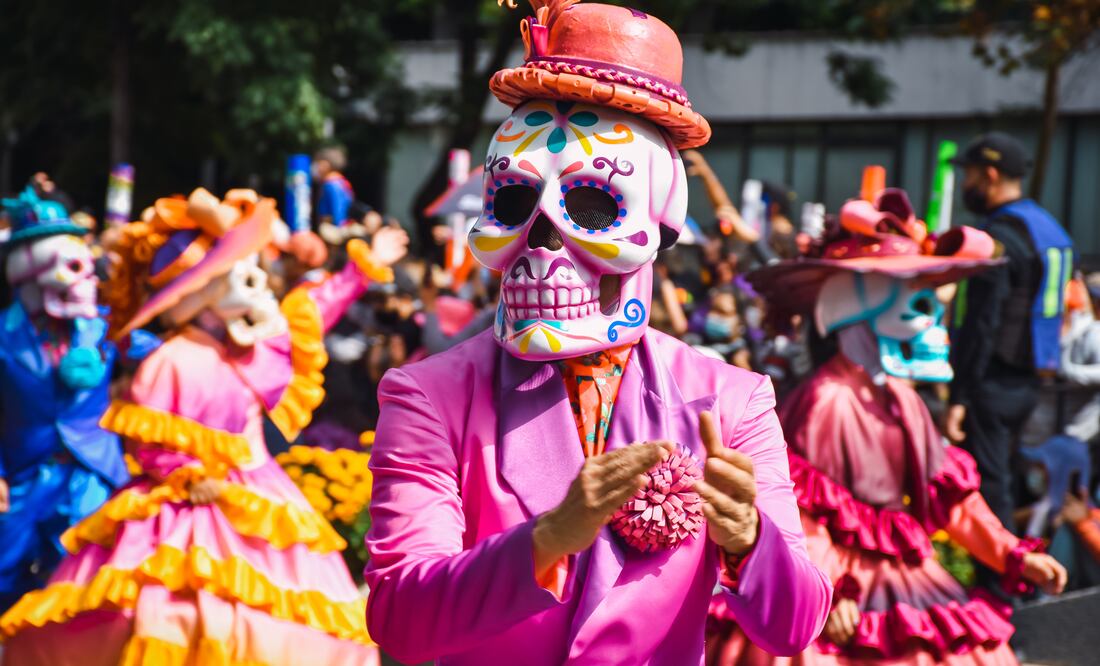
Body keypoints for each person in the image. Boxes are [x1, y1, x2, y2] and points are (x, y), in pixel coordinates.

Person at [363, 2, 831, 664]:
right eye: (514, 205)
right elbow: (401, 621)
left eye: (591, 206)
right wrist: (548, 538)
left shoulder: (729, 399)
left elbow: (795, 626)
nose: (542, 241)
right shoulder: (430, 394)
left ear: (659, 227)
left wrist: (752, 540)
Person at [0, 188, 407, 665]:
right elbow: (150, 439)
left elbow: (313, 312)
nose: (260, 284)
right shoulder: (171, 360)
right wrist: (186, 474)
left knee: (279, 625)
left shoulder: (255, 352)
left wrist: (360, 268)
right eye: (241, 274)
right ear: (205, 292)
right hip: (178, 510)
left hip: (257, 502)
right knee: (170, 613)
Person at [713, 188, 1068, 665]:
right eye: (915, 297)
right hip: (842, 582)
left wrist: (1012, 553)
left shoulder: (903, 397)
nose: (934, 316)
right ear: (864, 300)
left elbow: (951, 499)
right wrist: (825, 591)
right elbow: (803, 512)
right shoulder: (827, 399)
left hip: (909, 576)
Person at [0, 189, 131, 611]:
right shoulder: (3, 335)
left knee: (83, 585)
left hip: (91, 472)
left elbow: (164, 350)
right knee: (6, 575)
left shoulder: (105, 329)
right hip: (23, 475)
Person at [944, 132, 1074, 535]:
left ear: (991, 174)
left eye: (969, 175)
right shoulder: (1048, 229)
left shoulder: (999, 239)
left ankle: (999, 587)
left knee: (989, 485)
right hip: (1032, 380)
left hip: (992, 380)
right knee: (1011, 476)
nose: (966, 185)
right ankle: (1026, 573)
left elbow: (982, 324)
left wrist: (960, 395)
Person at [314, 146, 356, 229]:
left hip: (334, 229)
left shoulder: (332, 184)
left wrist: (338, 228)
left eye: (318, 163)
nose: (317, 168)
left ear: (326, 165)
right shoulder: (341, 182)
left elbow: (338, 211)